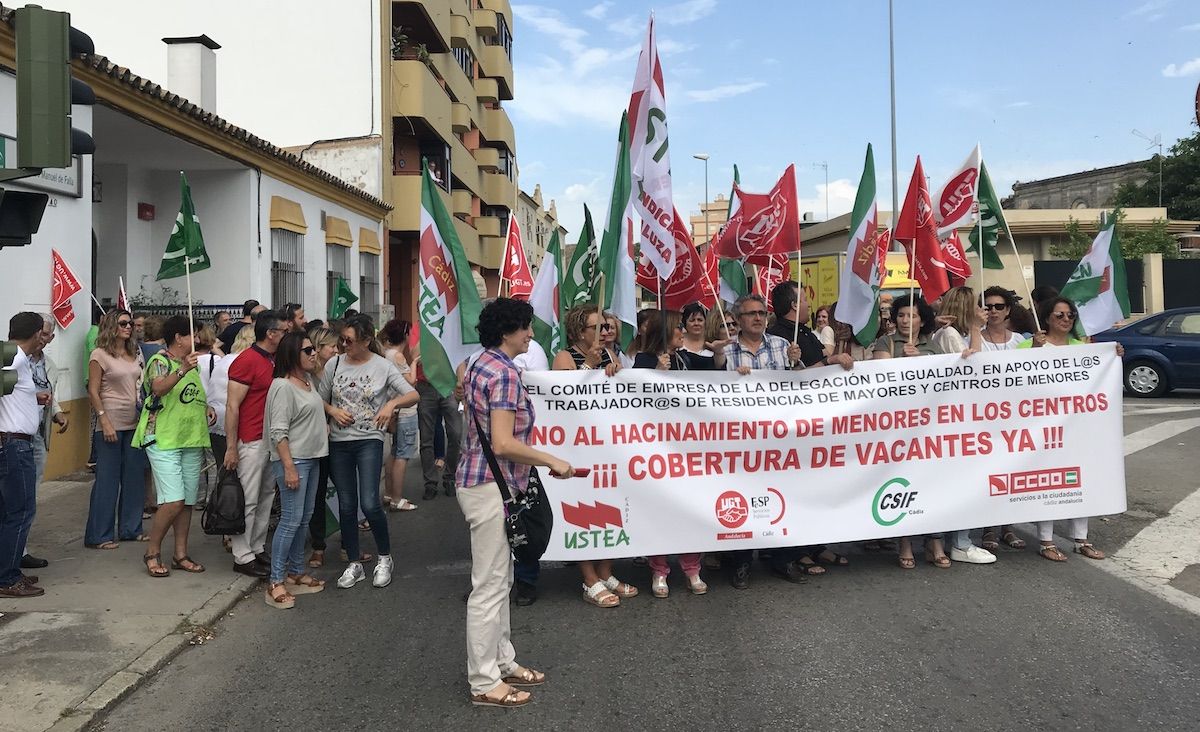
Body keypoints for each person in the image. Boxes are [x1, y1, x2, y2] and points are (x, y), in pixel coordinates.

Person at [458, 298, 573, 707]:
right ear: (507, 332)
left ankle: (502, 660)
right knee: (489, 587)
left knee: (500, 580)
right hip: (492, 485)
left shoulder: (477, 363)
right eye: (525, 327)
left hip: (482, 482)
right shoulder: (504, 373)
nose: (531, 334)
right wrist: (552, 459)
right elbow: (505, 443)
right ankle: (484, 681)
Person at [1018, 296, 1122, 562]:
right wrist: (1032, 349)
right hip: (1042, 428)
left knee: (1081, 480)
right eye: (1059, 315)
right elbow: (1012, 380)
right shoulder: (1028, 346)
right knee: (1048, 481)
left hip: (1077, 428)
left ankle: (1081, 539)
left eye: (1070, 315)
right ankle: (1046, 541)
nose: (1065, 320)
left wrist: (1114, 355)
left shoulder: (1082, 347)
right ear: (1047, 318)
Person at [320, 315, 419, 590]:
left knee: (370, 502)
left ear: (366, 341)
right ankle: (353, 563)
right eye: (342, 339)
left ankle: (384, 558)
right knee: (347, 504)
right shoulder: (334, 363)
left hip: (369, 439)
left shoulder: (383, 366)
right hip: (339, 441)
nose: (343, 344)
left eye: (349, 340)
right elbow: (320, 396)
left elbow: (412, 394)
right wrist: (332, 411)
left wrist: (391, 405)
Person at [722, 294, 810, 588]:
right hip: (742, 439)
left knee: (783, 494)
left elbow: (800, 387)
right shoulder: (726, 351)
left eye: (761, 313)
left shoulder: (783, 346)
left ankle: (783, 560)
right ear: (739, 319)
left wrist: (797, 365)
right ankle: (742, 561)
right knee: (744, 497)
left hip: (778, 437)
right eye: (750, 314)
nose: (757, 318)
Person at [767, 282, 854, 575]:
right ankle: (795, 551)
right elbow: (791, 379)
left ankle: (814, 545)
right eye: (804, 299)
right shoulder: (779, 337)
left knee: (815, 487)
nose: (808, 304)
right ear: (793, 305)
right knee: (794, 489)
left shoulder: (804, 332)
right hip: (792, 426)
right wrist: (829, 360)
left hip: (817, 423)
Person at [553, 305, 631, 607]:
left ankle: (606, 571)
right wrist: (588, 366)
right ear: (578, 331)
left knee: (613, 507)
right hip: (577, 446)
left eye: (604, 327)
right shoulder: (564, 356)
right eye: (595, 327)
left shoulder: (611, 355)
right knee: (584, 510)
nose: (603, 332)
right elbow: (561, 398)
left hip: (608, 446)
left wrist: (616, 373)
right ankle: (588, 578)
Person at [872, 295, 952, 570]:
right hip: (897, 428)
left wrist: (922, 361)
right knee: (903, 484)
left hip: (929, 428)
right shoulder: (886, 343)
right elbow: (880, 381)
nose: (907, 320)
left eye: (913, 315)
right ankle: (904, 542)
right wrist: (905, 363)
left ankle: (935, 542)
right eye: (902, 315)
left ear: (923, 319)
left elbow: (946, 381)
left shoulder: (934, 347)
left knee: (932, 485)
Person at [633, 310, 707, 598]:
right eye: (677, 327)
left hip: (686, 448)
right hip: (657, 450)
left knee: (689, 508)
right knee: (660, 510)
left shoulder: (683, 358)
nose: (682, 331)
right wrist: (657, 378)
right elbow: (634, 402)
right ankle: (659, 569)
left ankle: (692, 568)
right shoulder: (644, 361)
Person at [133, 316, 214, 578]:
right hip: (164, 439)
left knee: (187, 501)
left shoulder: (195, 367)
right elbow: (158, 388)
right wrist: (181, 369)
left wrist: (207, 407)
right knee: (173, 500)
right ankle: (152, 551)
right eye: (192, 335)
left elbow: (192, 395)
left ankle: (181, 554)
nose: (197, 340)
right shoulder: (160, 361)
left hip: (190, 437)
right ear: (178, 338)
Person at [929, 287, 996, 566]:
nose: (984, 310)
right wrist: (977, 329)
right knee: (964, 480)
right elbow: (975, 368)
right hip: (958, 420)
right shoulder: (951, 334)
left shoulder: (951, 333)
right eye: (977, 305)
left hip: (960, 417)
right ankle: (961, 542)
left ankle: (959, 540)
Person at [262, 333, 328, 609]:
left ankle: (295, 571)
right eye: (308, 350)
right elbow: (278, 431)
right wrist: (288, 467)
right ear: (292, 354)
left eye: (313, 348)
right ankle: (275, 581)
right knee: (290, 519)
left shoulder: (307, 381)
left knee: (304, 518)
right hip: (295, 460)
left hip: (312, 458)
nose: (314, 353)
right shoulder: (282, 387)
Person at [223, 310, 287, 578]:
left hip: (270, 439)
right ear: (271, 334)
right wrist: (231, 446)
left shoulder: (273, 360)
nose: (287, 335)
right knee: (248, 499)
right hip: (250, 439)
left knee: (265, 496)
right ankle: (242, 554)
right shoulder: (246, 361)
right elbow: (232, 405)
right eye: (283, 331)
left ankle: (257, 546)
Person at [84, 310, 148, 549]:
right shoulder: (99, 355)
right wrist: (104, 421)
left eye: (130, 323)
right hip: (110, 420)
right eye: (123, 323)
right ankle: (98, 535)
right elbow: (92, 390)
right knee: (107, 480)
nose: (129, 327)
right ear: (112, 326)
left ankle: (131, 529)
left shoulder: (134, 353)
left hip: (135, 421)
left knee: (134, 477)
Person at [0, 313, 49, 597]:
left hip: (13, 443)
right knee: (21, 511)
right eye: (43, 333)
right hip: (14, 446)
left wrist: (33, 396)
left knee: (9, 511)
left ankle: (9, 570)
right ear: (36, 334)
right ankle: (7, 578)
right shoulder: (15, 357)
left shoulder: (14, 358)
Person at [977, 286, 1027, 553]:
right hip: (984, 421)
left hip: (1014, 419)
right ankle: (988, 528)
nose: (993, 311)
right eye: (988, 306)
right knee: (988, 474)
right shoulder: (972, 339)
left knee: (1011, 473)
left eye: (998, 306)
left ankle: (1008, 527)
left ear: (1008, 310)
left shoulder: (1021, 341)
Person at [24, 314, 65, 568]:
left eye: (48, 335)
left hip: (37, 435)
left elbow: (50, 395)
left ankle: (20, 550)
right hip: (13, 435)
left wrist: (58, 412)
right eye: (41, 333)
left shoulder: (49, 364)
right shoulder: (14, 360)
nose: (44, 339)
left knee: (29, 497)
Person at [303, 326, 339, 569]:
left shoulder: (339, 368)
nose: (336, 350)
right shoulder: (307, 374)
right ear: (318, 348)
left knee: (346, 490)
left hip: (340, 437)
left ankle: (349, 542)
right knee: (316, 495)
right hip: (316, 440)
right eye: (332, 346)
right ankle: (318, 546)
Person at [415, 325, 462, 502]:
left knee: (456, 434)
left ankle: (450, 477)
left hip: (448, 385)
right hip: (425, 388)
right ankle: (430, 483)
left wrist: (460, 382)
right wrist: (428, 334)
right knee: (426, 437)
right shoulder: (417, 330)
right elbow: (414, 355)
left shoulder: (450, 325)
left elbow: (458, 356)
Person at [378, 319, 420, 512]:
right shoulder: (397, 357)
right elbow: (410, 383)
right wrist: (415, 362)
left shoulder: (385, 354)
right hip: (405, 410)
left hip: (393, 410)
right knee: (403, 454)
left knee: (394, 453)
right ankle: (397, 497)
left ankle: (388, 493)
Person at [679, 302, 728, 371]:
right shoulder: (678, 342)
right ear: (685, 323)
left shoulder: (713, 341)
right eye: (692, 320)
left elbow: (720, 368)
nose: (696, 323)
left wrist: (718, 352)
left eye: (700, 320)